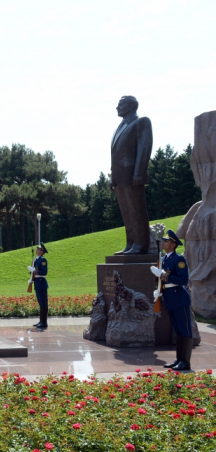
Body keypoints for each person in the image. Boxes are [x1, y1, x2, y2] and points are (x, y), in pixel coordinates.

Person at [110, 95, 153, 255]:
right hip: (120, 177)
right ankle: (130, 244)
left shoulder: (141, 122)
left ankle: (140, 245)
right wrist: (113, 177)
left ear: (130, 106)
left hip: (133, 176)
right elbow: (116, 155)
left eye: (120, 104)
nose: (117, 108)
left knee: (137, 211)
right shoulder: (120, 126)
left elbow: (144, 148)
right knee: (126, 213)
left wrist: (139, 173)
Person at [151, 229, 193, 371]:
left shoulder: (179, 259)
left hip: (180, 299)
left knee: (185, 330)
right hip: (169, 298)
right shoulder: (164, 259)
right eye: (163, 240)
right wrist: (159, 290)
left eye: (166, 240)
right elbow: (161, 280)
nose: (163, 242)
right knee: (178, 331)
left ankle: (185, 361)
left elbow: (183, 279)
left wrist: (163, 275)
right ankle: (179, 359)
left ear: (173, 244)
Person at [27, 243, 49, 328]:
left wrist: (35, 271)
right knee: (40, 303)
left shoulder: (43, 260)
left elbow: (44, 272)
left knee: (44, 303)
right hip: (36, 281)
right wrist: (31, 276)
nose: (37, 250)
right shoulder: (36, 260)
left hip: (41, 282)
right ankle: (41, 321)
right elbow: (34, 271)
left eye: (38, 249)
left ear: (42, 251)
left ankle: (44, 322)